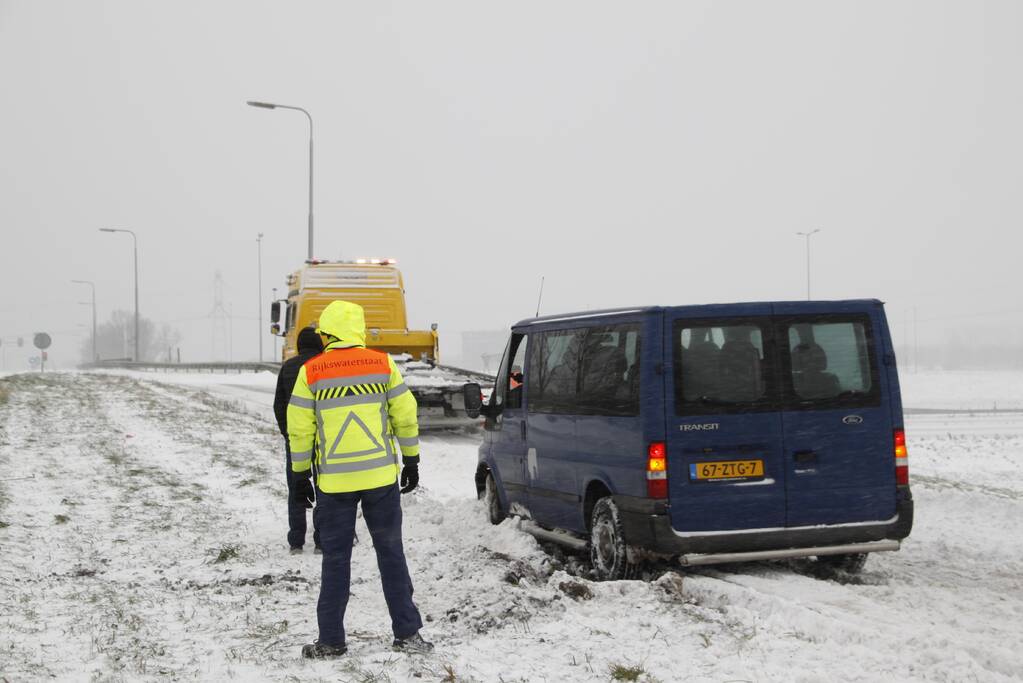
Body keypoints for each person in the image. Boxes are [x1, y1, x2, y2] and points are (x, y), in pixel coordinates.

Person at [287, 300, 433, 658]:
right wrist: (411, 460)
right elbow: (405, 413)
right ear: (358, 330)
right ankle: (408, 635)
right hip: (380, 479)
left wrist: (300, 475)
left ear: (327, 333)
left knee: (335, 559)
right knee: (391, 553)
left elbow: (300, 427)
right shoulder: (382, 364)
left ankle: (332, 641)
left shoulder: (312, 371)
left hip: (335, 484)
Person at [273, 326, 324, 554]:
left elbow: (279, 405)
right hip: (324, 438)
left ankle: (296, 542)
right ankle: (321, 541)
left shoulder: (288, 368)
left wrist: (287, 433)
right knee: (324, 487)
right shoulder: (325, 366)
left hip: (295, 439)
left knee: (296, 486)